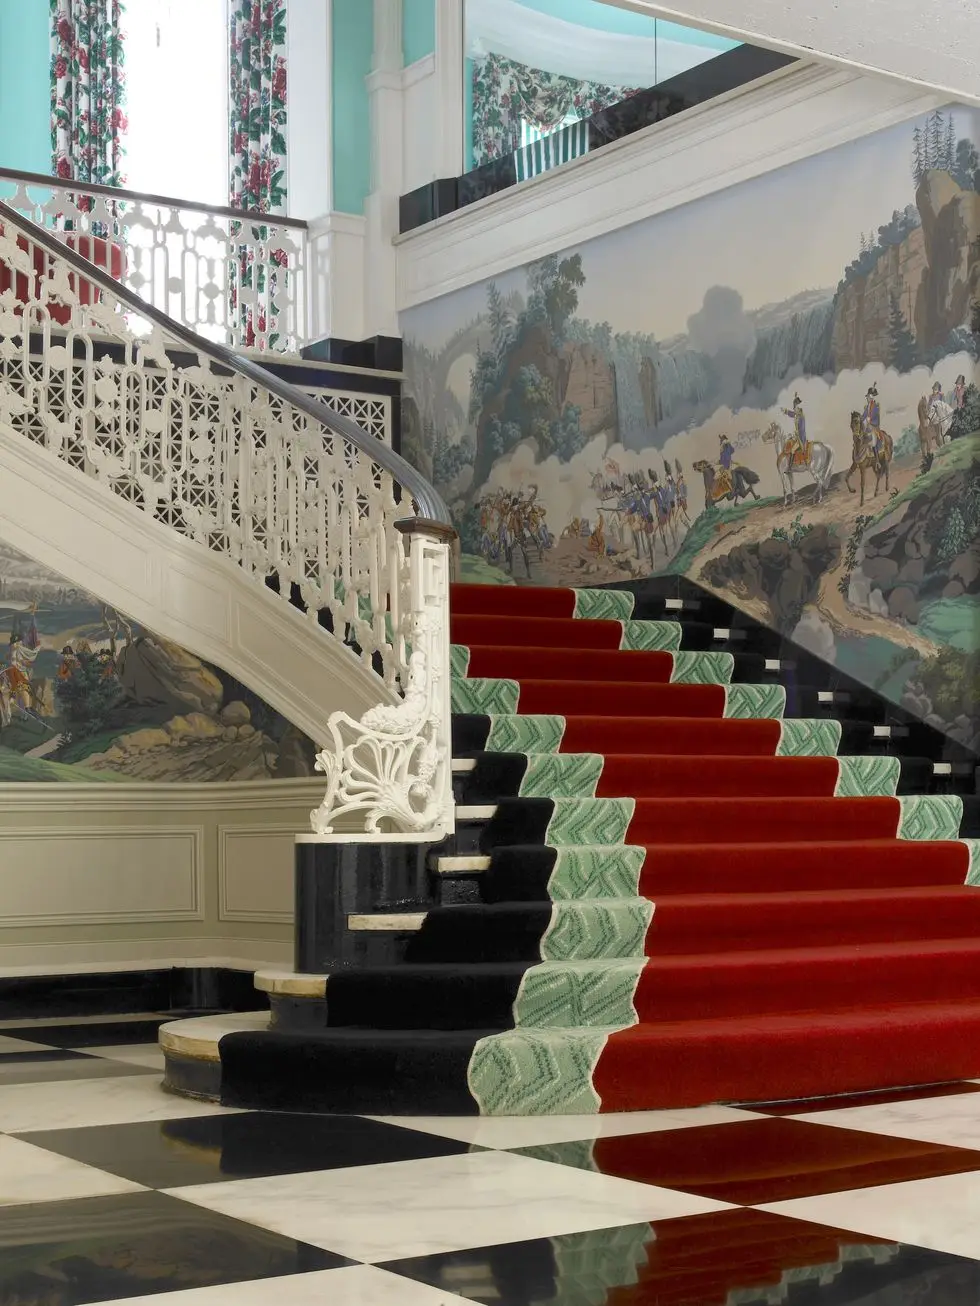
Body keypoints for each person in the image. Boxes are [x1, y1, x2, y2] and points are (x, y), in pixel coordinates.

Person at [782, 395, 809, 463]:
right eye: (794, 408)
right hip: (797, 436)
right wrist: (785, 411)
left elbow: (802, 430)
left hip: (801, 438)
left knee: (792, 450)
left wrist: (797, 434)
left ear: (799, 410)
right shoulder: (797, 415)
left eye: (796, 408)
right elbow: (792, 414)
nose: (794, 409)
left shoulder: (801, 418)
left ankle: (790, 467)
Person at [862, 384, 885, 461]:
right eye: (867, 397)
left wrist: (870, 420)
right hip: (867, 426)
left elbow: (875, 416)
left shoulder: (876, 406)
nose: (867, 399)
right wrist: (861, 420)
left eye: (868, 397)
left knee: (874, 441)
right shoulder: (867, 407)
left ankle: (877, 460)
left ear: (871, 398)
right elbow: (864, 415)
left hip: (874, 426)